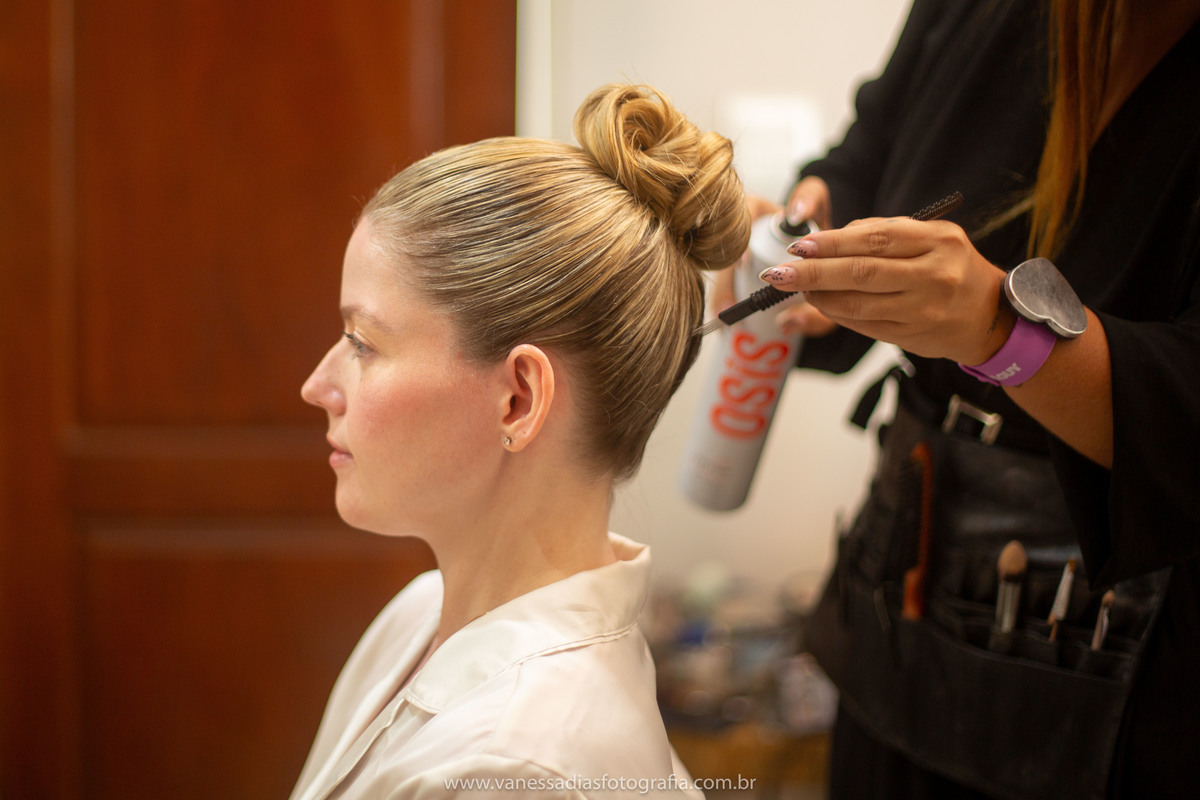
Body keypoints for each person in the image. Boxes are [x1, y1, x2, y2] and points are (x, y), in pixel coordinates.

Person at [731, 0, 1200, 797]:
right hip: (901, 586)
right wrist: (814, 217)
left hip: (1118, 670)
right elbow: (870, 150)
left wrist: (1000, 332)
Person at [290, 83, 749, 799]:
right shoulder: (421, 613)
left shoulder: (515, 770)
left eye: (362, 343)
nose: (317, 384)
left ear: (519, 398)